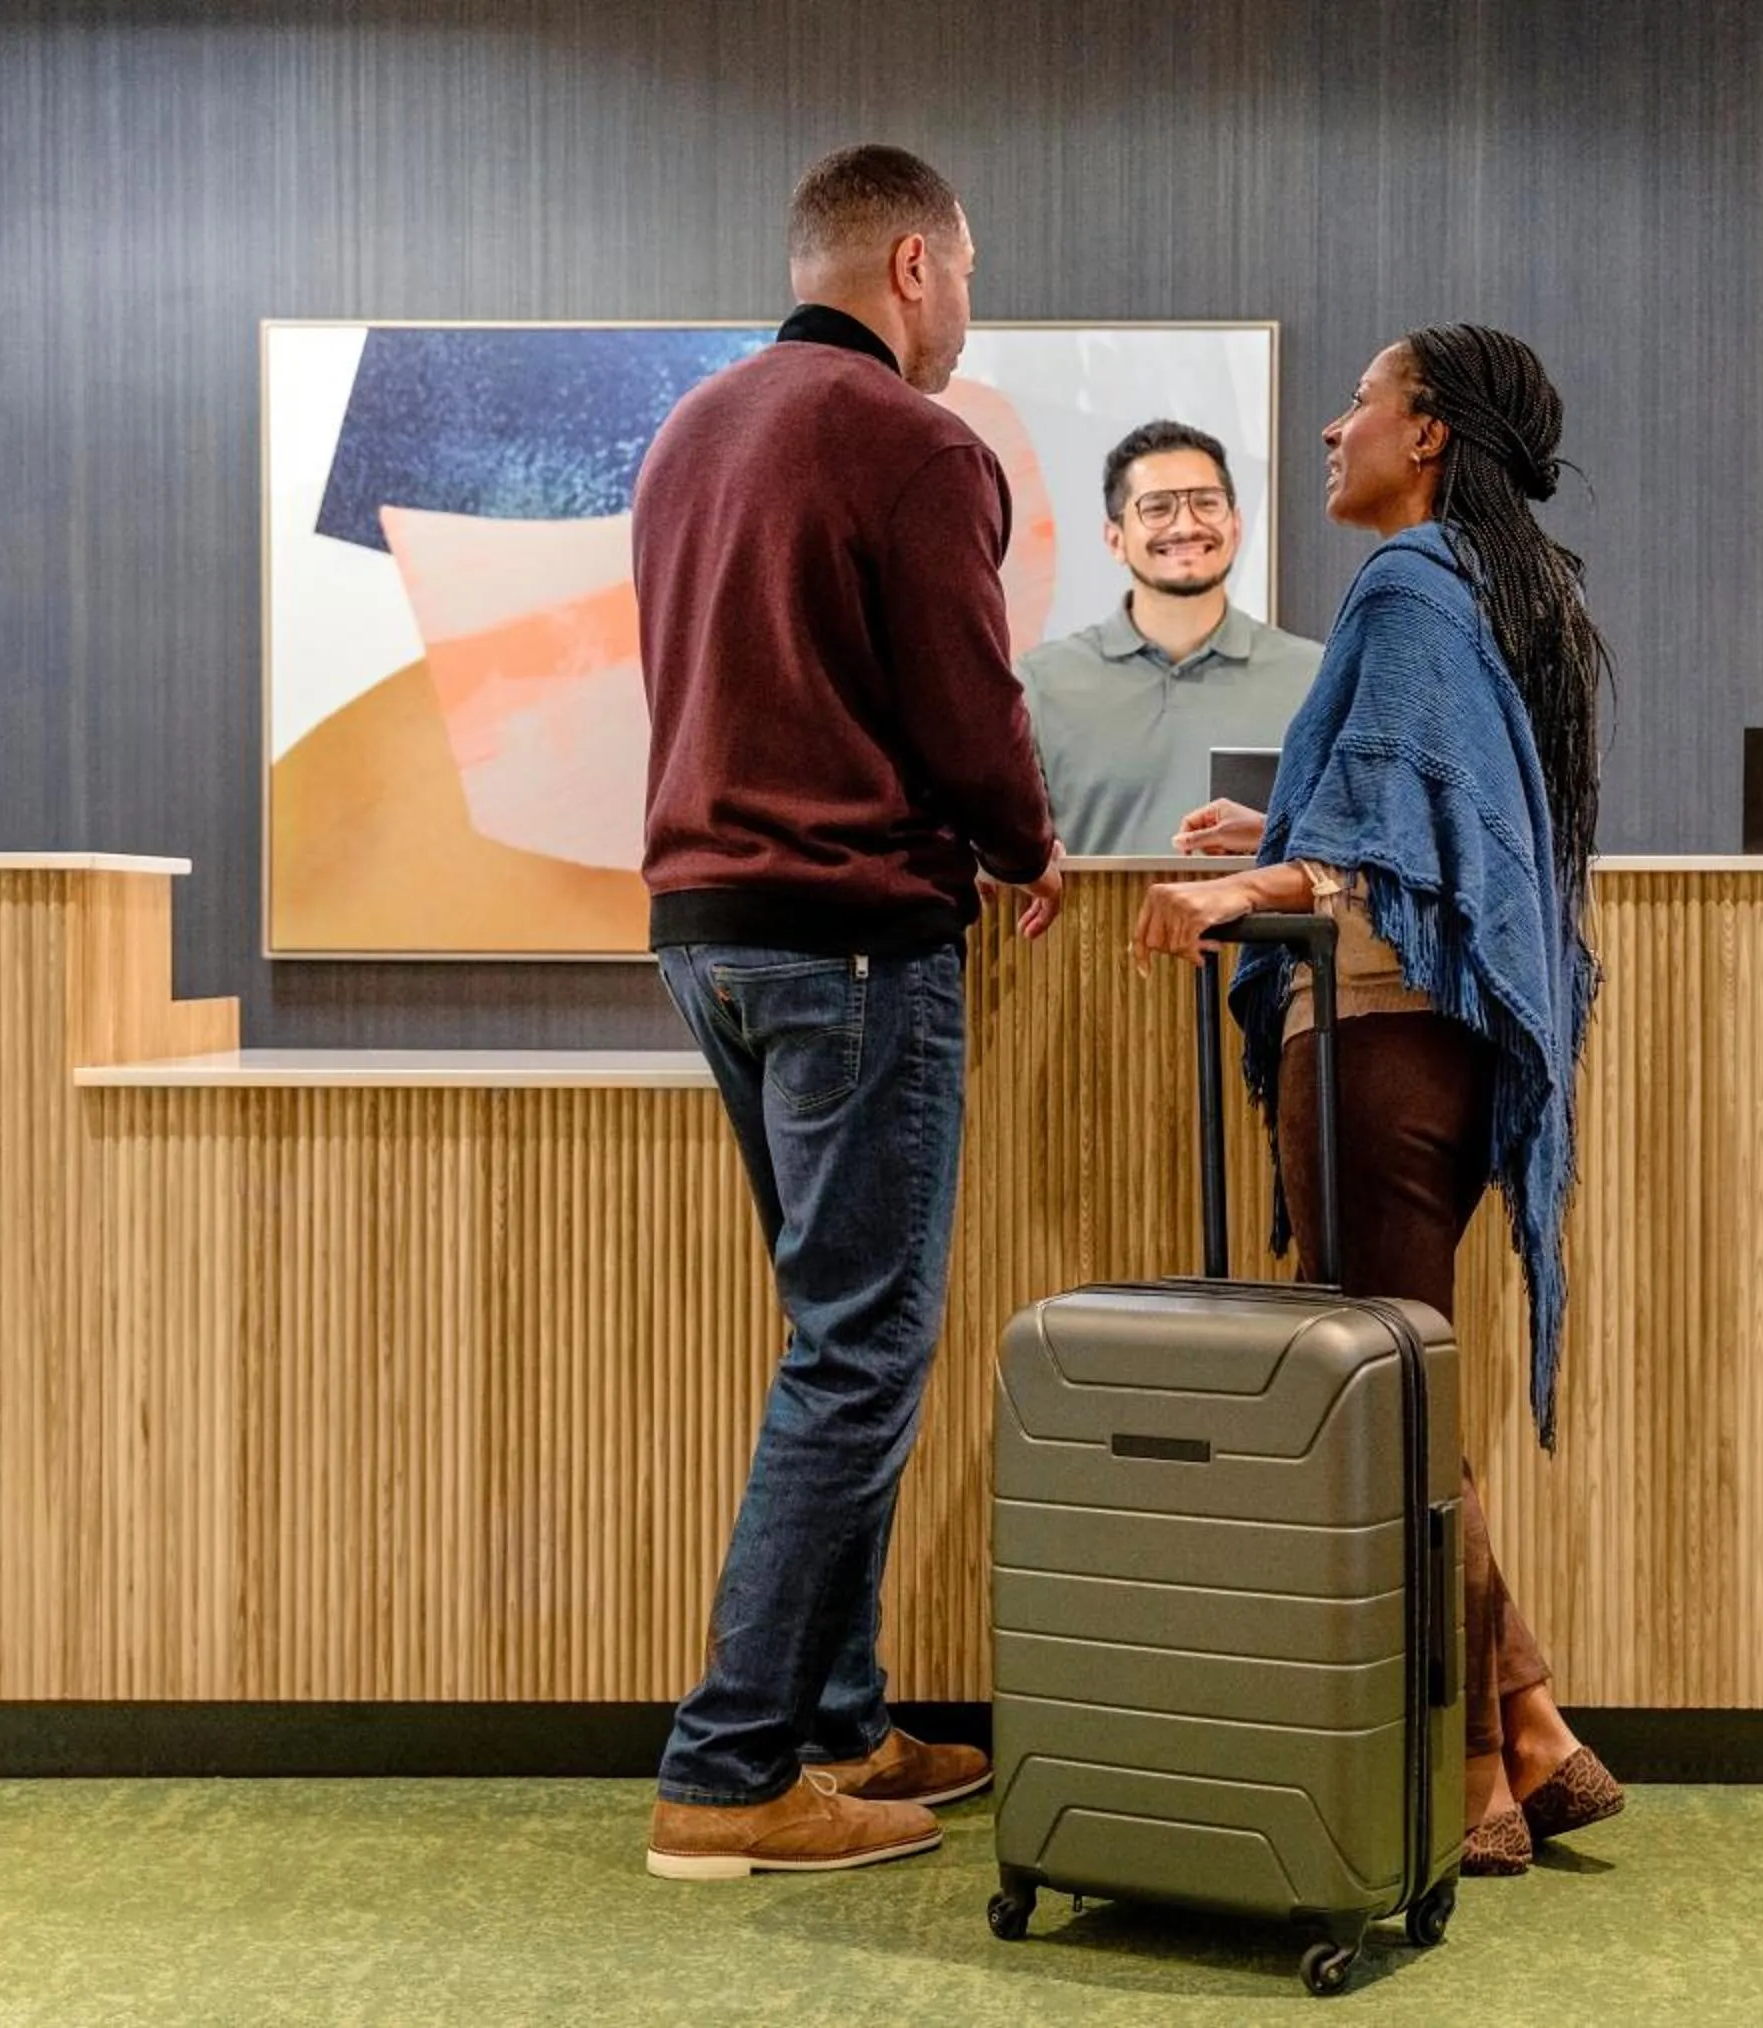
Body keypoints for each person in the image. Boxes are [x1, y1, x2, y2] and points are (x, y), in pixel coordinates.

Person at [1133, 324, 1623, 1875]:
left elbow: (1392, 845)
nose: (1333, 427)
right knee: (1409, 1396)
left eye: (1361, 401)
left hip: (1370, 1048)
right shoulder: (1496, 587)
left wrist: (1246, 889)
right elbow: (1418, 798)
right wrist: (1272, 817)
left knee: (1397, 1416)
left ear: (1427, 436)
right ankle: (1529, 1719)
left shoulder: (1409, 585)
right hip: (1443, 1056)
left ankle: (1480, 1762)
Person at [633, 143, 1067, 1880]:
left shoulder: (693, 430)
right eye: (965, 274)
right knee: (862, 1347)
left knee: (835, 1331)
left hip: (709, 929)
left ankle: (837, 1718)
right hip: (855, 940)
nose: (969, 310)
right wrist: (1027, 843)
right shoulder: (912, 439)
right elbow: (968, 705)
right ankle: (729, 1767)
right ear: (909, 264)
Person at [1015, 421, 1321, 855]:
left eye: (1206, 503)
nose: (1186, 525)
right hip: (1100, 925)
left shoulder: (1314, 678)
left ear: (1235, 525)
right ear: (1115, 538)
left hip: (1263, 925)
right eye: (1157, 508)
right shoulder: (1040, 684)